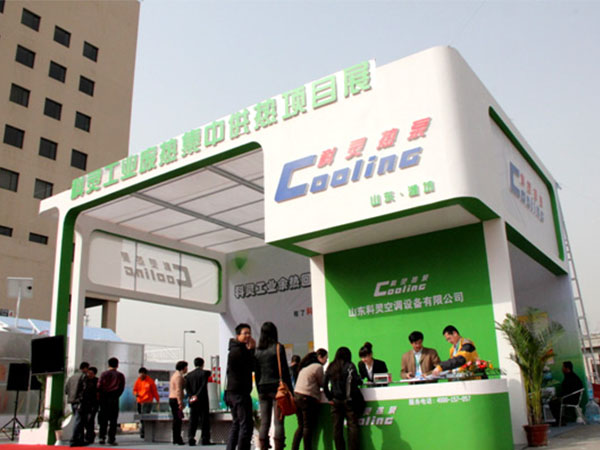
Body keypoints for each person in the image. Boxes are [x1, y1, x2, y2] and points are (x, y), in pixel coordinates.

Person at [254, 322, 292, 450]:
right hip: (277, 388)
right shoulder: (278, 348)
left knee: (264, 422)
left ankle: (263, 447)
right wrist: (290, 390)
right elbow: (285, 371)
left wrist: (259, 388)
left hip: (262, 388)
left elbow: (257, 372)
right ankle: (279, 447)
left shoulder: (257, 351)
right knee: (278, 422)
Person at [324, 347, 362, 450]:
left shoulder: (331, 366)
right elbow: (357, 380)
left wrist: (329, 397)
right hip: (349, 401)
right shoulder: (350, 366)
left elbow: (324, 384)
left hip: (335, 401)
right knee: (352, 426)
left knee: (337, 428)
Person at [225, 323, 256, 450]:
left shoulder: (234, 349)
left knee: (237, 424)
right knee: (246, 425)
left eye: (249, 333)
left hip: (233, 392)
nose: (248, 336)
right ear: (238, 335)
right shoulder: (239, 351)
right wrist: (252, 350)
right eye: (245, 333)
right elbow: (251, 365)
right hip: (240, 393)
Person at [291, 349, 328, 450]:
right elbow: (322, 383)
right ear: (320, 357)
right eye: (326, 358)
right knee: (307, 426)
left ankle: (294, 448)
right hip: (307, 398)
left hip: (297, 396)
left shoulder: (305, 367)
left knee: (301, 426)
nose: (326, 361)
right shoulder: (318, 367)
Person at [97, 357, 125, 445]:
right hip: (114, 398)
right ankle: (111, 439)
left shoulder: (103, 374)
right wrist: (116, 395)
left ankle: (102, 437)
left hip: (104, 398)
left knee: (103, 419)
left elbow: (99, 386)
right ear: (117, 365)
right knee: (113, 420)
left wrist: (100, 397)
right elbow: (121, 388)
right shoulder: (120, 375)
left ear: (108, 365)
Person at [185, 357, 212, 446]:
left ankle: (191, 437)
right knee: (204, 420)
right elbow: (203, 386)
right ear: (203, 364)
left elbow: (187, 388)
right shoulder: (204, 374)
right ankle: (205, 439)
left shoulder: (189, 375)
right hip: (202, 400)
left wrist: (191, 396)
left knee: (193, 420)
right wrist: (197, 395)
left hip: (193, 401)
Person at [549, 361, 585, 425]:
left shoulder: (570, 378)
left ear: (567, 368)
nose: (562, 369)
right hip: (573, 398)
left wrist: (559, 397)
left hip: (571, 399)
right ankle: (561, 420)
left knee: (553, 402)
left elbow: (567, 390)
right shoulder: (572, 376)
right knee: (555, 401)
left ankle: (559, 421)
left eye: (563, 367)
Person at [133, 367, 160, 439]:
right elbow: (135, 389)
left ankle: (144, 432)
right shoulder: (138, 381)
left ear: (145, 374)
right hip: (140, 401)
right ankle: (143, 431)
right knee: (141, 418)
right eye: (140, 374)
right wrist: (136, 393)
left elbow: (154, 391)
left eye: (142, 374)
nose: (141, 375)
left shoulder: (150, 381)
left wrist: (157, 400)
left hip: (147, 402)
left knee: (145, 418)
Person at [68, 362, 90, 447]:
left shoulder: (71, 377)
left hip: (72, 401)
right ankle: (74, 440)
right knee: (79, 421)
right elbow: (85, 389)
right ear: (85, 368)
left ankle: (80, 439)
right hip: (80, 402)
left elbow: (66, 389)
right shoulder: (84, 376)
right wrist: (82, 399)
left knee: (78, 420)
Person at [169, 360, 188, 445]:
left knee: (176, 419)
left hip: (173, 399)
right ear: (183, 368)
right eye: (186, 367)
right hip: (176, 399)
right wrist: (180, 402)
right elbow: (178, 390)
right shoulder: (178, 377)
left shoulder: (175, 375)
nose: (187, 369)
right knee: (178, 420)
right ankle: (177, 438)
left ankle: (175, 438)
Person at [81, 367, 99, 445]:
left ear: (94, 374)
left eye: (91, 373)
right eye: (88, 373)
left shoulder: (97, 381)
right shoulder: (84, 380)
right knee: (85, 420)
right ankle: (89, 434)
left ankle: (89, 436)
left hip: (94, 403)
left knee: (90, 420)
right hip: (85, 403)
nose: (89, 375)